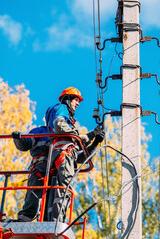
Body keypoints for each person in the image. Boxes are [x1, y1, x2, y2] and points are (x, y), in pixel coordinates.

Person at [12, 87, 105, 223]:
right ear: (66, 100)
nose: (77, 103)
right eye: (75, 99)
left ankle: (55, 221)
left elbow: (80, 158)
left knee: (58, 193)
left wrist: (94, 141)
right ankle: (26, 219)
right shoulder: (42, 132)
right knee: (34, 195)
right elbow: (25, 144)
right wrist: (17, 138)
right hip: (40, 170)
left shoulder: (65, 138)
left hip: (55, 170)